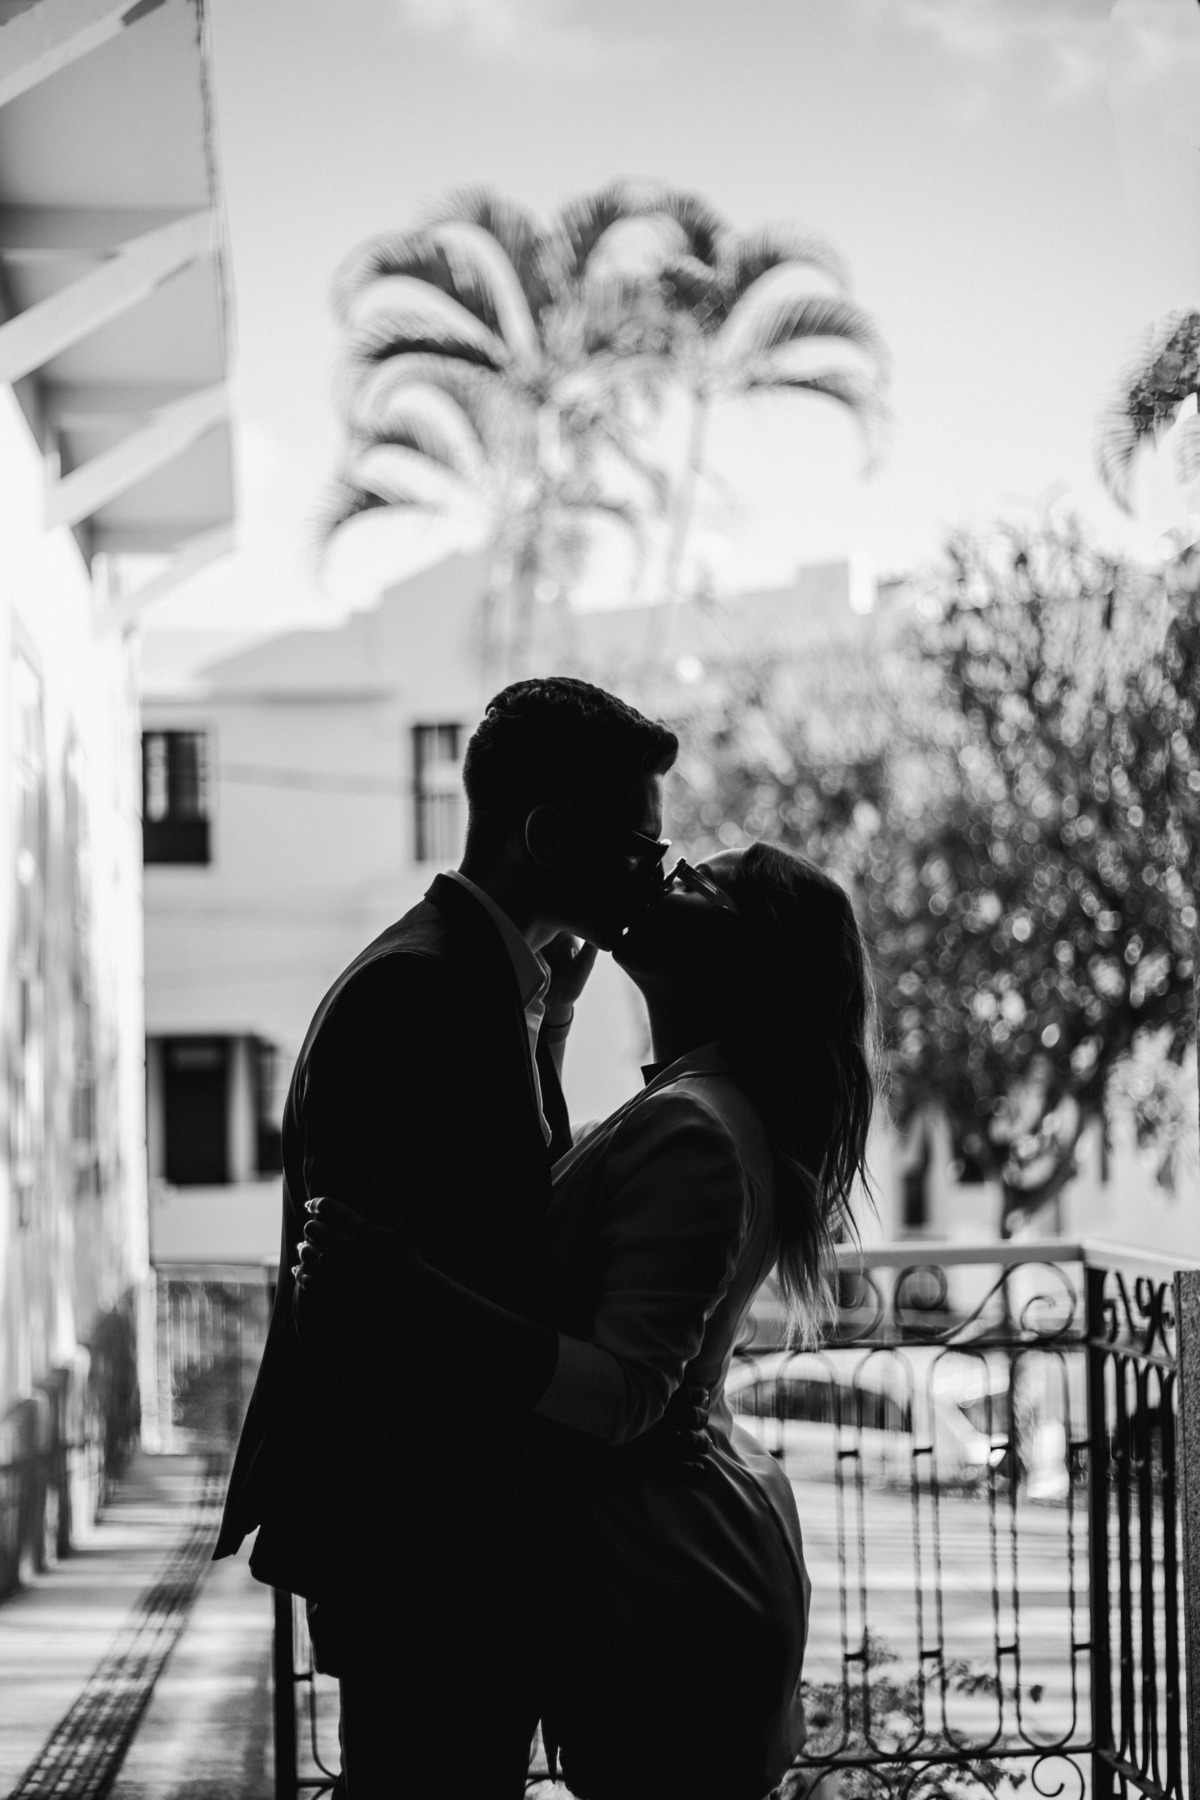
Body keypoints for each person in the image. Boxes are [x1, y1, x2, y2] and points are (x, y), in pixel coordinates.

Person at [302, 840, 877, 1800]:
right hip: (673, 1558)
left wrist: (410, 1294)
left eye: (699, 881)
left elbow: (624, 1394)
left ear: (743, 956)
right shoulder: (695, 1102)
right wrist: (552, 1025)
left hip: (675, 1578)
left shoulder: (696, 1124)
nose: (663, 874)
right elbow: (567, 1221)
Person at [213, 676, 680, 1800]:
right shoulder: (420, 994)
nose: (651, 876)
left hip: (442, 1545)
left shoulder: (477, 984)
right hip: (427, 1547)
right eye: (635, 846)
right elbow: (384, 1307)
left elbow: (490, 1212)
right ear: (546, 836)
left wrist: (551, 1026)